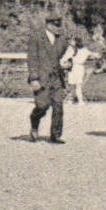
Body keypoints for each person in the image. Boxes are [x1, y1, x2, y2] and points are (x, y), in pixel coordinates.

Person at [26, 10, 69, 143]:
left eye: (59, 25)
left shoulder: (62, 39)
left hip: (57, 78)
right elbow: (32, 58)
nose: (58, 28)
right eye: (55, 25)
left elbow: (66, 56)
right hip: (42, 78)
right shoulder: (36, 37)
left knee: (58, 106)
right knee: (42, 106)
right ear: (48, 25)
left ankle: (55, 135)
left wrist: (68, 64)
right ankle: (34, 122)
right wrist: (34, 78)